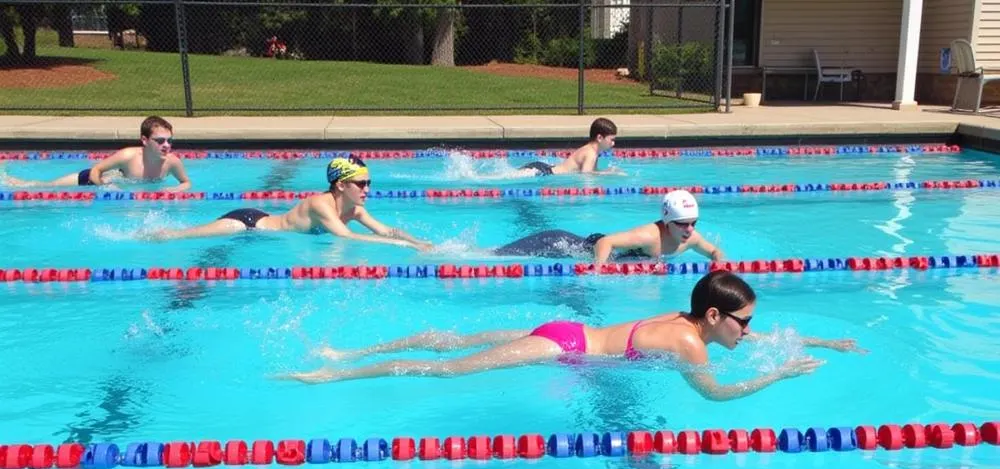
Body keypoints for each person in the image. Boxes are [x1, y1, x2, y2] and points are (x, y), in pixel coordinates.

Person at [276, 270, 862, 399]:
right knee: (449, 367)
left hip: (567, 331)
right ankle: (335, 371)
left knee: (450, 340)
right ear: (713, 317)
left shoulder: (684, 321)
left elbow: (748, 341)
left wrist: (823, 344)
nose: (750, 332)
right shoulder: (689, 345)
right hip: (566, 347)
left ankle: (348, 349)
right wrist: (780, 374)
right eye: (745, 322)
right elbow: (715, 396)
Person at [146, 156, 432, 250]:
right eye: (361, 183)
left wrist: (420, 243)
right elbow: (346, 237)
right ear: (341, 185)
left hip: (265, 223)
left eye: (369, 183)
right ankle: (154, 233)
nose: (367, 188)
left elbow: (385, 230)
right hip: (248, 223)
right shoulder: (321, 205)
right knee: (179, 237)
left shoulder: (354, 209)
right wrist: (403, 247)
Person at [491, 190, 723, 264]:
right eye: (683, 224)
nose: (690, 229)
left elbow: (713, 251)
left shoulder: (690, 238)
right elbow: (606, 242)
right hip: (564, 243)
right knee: (496, 256)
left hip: (595, 249)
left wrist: (720, 264)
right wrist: (598, 269)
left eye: (694, 223)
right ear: (666, 222)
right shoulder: (650, 236)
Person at [3, 116, 192, 192]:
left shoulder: (172, 162)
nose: (167, 145)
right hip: (90, 180)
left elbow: (186, 182)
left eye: (169, 140)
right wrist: (105, 188)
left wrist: (174, 190)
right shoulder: (128, 156)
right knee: (42, 187)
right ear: (144, 140)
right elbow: (96, 170)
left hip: (127, 190)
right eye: (160, 141)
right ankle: (7, 178)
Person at [512, 117, 621, 177]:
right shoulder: (591, 153)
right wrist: (608, 173)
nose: (613, 144)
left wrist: (604, 172)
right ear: (600, 138)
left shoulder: (591, 151)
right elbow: (586, 175)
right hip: (544, 171)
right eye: (611, 140)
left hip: (544, 168)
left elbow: (592, 171)